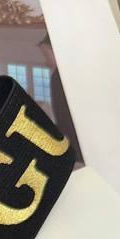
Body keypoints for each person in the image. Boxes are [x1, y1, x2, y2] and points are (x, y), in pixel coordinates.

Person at [38, 32, 83, 163]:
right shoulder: (64, 75)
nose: (46, 62)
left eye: (46, 56)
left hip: (76, 137)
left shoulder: (59, 77)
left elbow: (64, 114)